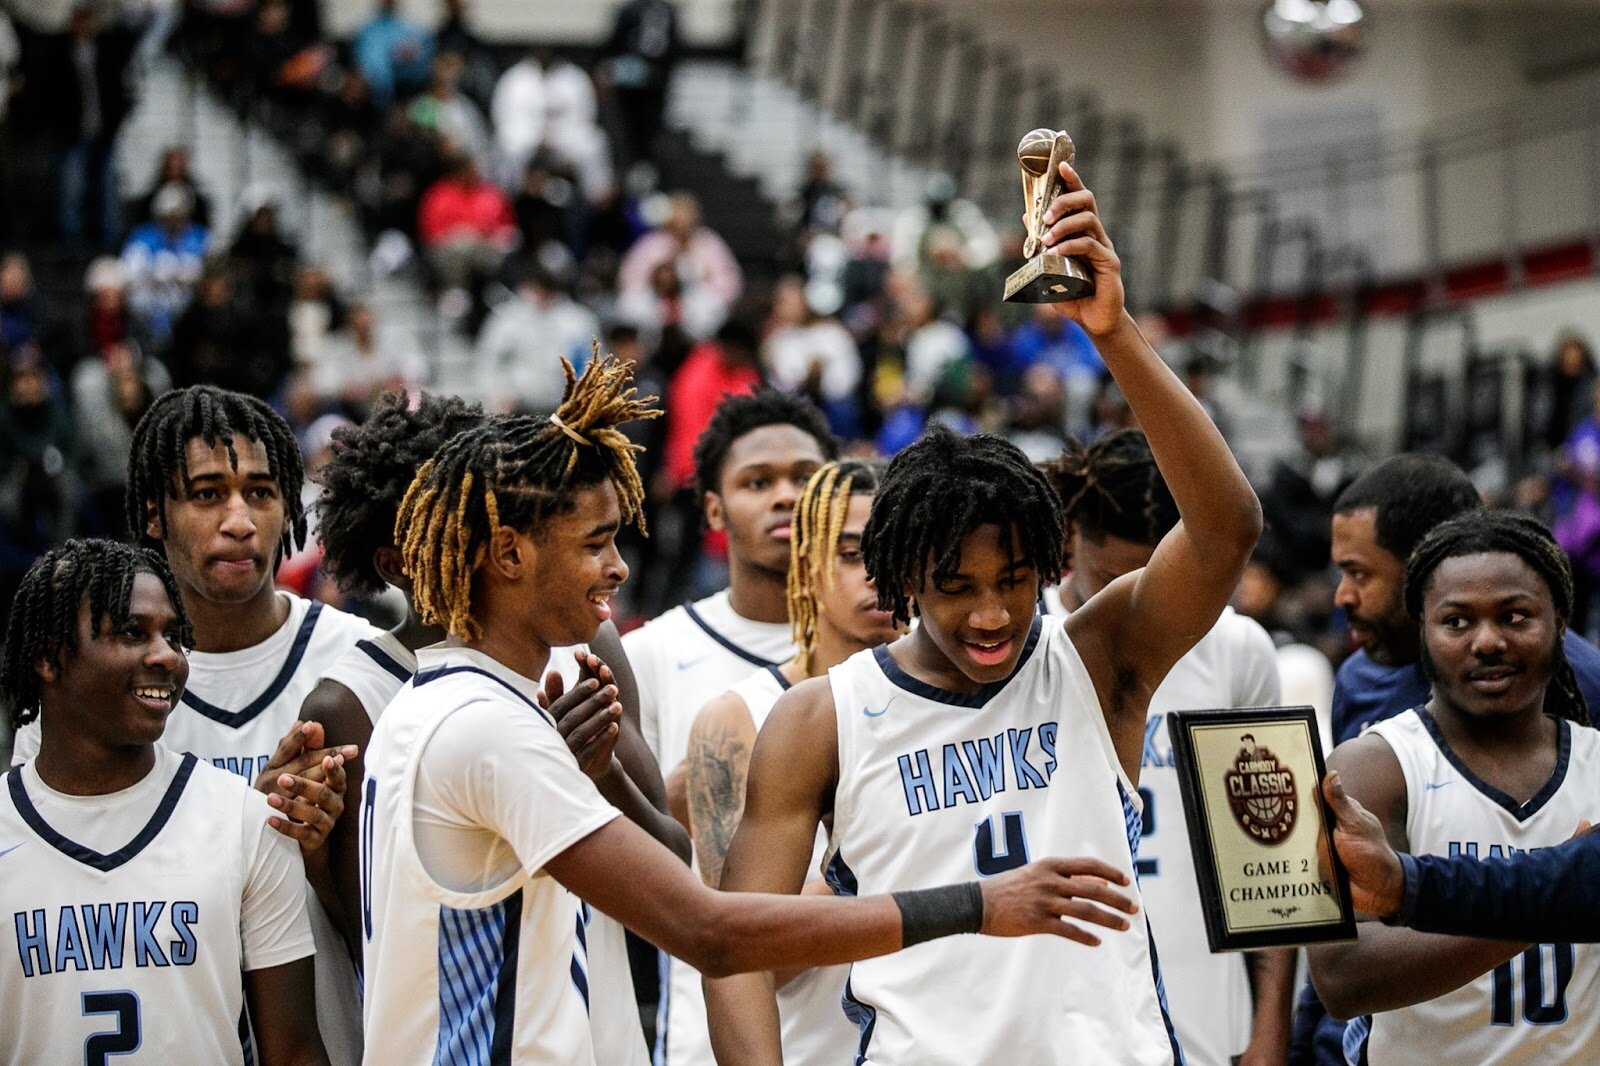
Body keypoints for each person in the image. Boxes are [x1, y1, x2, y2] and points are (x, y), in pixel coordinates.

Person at [359, 355, 1141, 1063]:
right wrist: (978, 901)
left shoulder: (451, 703)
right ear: (508, 555)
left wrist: (607, 784)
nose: (618, 566)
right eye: (595, 543)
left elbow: (679, 869)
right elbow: (714, 931)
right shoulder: (486, 728)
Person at [704, 161, 1262, 1065]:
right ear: (903, 581)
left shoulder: (1096, 656)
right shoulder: (819, 719)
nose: (993, 612)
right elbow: (732, 952)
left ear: (1048, 565)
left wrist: (1113, 336)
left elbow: (1228, 527)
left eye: (1013, 579)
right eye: (957, 588)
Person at [307, 387, 683, 1066]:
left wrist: (597, 777)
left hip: (593, 1020)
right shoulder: (363, 700)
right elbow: (385, 928)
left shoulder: (577, 641)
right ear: (396, 560)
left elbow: (672, 858)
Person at [13, 384, 379, 1065]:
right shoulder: (88, 694)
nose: (239, 519)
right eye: (208, 493)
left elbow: (417, 930)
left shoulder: (364, 666)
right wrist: (241, 822)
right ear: (154, 513)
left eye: (262, 493)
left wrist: (318, 851)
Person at [0, 539, 330, 1063]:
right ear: (46, 655)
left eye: (174, 636)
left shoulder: (243, 818)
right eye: (133, 632)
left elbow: (293, 1052)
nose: (166, 656)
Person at [1308, 509, 1600, 1063]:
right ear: (1422, 628)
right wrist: (1559, 896)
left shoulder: (1597, 762)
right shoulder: (1375, 766)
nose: (1487, 641)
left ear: (1560, 621)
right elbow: (1342, 979)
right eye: (1458, 622)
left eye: (1515, 617)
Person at [1039, 429, 1294, 1066]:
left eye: (1164, 577)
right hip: (1056, 984)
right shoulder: (1024, 642)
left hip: (1201, 990)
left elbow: (1277, 856)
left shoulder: (1239, 650)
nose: (1140, 601)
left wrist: (1267, 1031)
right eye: (1117, 576)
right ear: (1073, 537)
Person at [625, 386, 838, 1066]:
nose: (784, 496)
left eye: (804, 478)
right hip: (711, 1027)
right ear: (714, 508)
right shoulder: (653, 652)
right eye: (757, 482)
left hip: (874, 1020)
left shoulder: (896, 646)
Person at [685, 459, 902, 1064]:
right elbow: (743, 955)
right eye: (853, 554)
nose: (879, 577)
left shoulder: (954, 706)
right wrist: (911, 866)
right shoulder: (736, 719)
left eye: (895, 553)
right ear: (805, 569)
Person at [1330, 453, 1600, 744]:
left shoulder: (1586, 686)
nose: (1342, 596)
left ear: (1425, 567)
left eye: (1358, 574)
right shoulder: (1358, 682)